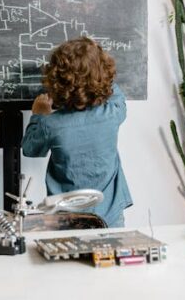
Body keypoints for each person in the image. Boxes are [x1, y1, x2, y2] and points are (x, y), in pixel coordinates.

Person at [21, 37, 132, 227]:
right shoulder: (113, 112)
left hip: (66, 218)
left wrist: (38, 115)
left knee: (69, 254)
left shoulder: (51, 124)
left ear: (57, 80)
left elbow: (31, 149)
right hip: (110, 214)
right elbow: (113, 89)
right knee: (108, 255)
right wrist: (97, 70)